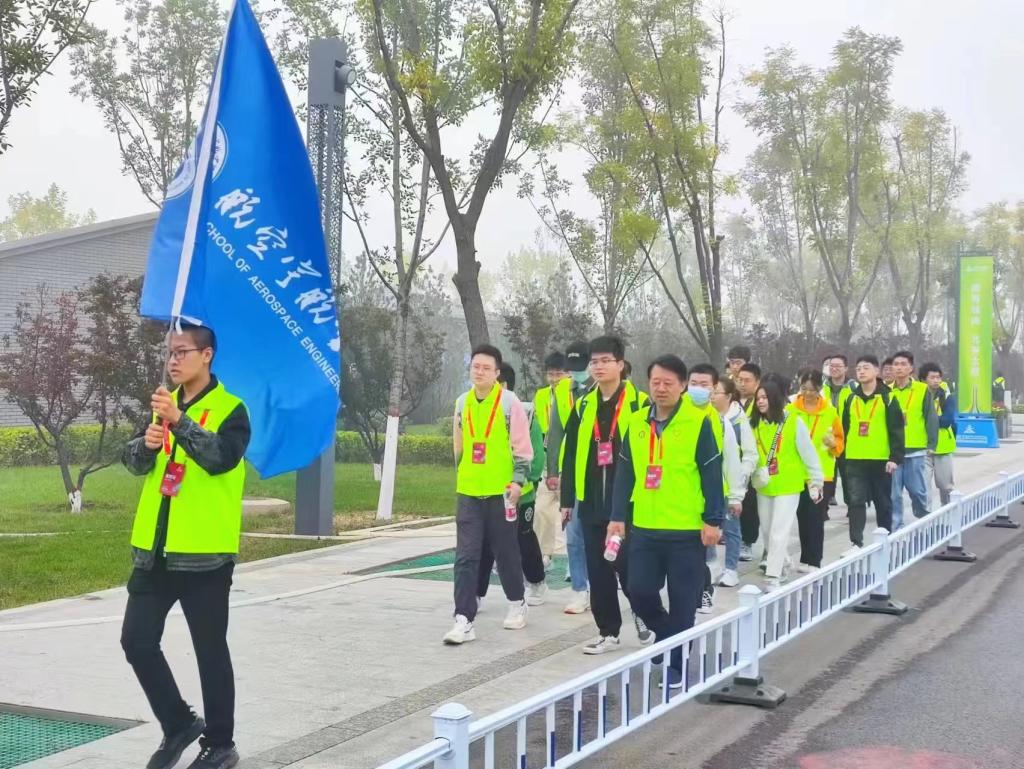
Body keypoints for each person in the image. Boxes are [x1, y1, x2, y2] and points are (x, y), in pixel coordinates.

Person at [121, 323, 250, 769]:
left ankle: (220, 743)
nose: (173, 360)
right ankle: (178, 723)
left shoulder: (232, 409)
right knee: (137, 641)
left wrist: (179, 422)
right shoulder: (163, 404)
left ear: (207, 355)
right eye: (170, 353)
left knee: (210, 649)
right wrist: (145, 445)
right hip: (154, 551)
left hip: (204, 556)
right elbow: (133, 462)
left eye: (183, 352)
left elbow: (220, 458)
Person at [609, 354, 724, 689]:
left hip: (686, 529)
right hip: (645, 525)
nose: (660, 389)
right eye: (655, 382)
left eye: (668, 383)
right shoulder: (636, 422)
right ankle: (666, 634)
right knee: (639, 591)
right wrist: (617, 517)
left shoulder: (698, 421)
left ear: (683, 385)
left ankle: (676, 665)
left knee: (683, 601)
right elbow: (625, 473)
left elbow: (711, 473)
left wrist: (712, 520)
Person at [560, 336, 654, 653]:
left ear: (620, 364)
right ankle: (608, 631)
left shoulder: (640, 403)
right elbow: (570, 453)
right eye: (594, 362)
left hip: (627, 502)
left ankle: (643, 614)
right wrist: (567, 500)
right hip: (590, 501)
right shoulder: (584, 405)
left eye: (605, 361)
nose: (599, 367)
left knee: (627, 565)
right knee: (598, 568)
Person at [445, 345, 533, 645]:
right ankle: (463, 619)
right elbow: (458, 446)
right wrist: (461, 475)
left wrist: (518, 482)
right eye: (475, 366)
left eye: (486, 367)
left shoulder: (509, 403)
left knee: (505, 552)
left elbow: (522, 448)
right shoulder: (462, 403)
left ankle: (517, 602)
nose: (479, 371)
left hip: (501, 492)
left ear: (497, 373)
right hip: (469, 491)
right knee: (465, 556)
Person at [477, 363, 548, 607]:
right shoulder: (480, 411)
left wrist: (527, 480)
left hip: (521, 493)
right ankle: (476, 593)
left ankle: (537, 582)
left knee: (523, 538)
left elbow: (535, 454)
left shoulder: (526, 414)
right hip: (489, 491)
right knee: (485, 543)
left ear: (504, 385)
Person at [750, 381, 824, 587]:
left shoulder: (793, 421)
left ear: (774, 398)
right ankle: (781, 563)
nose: (760, 402)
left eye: (764, 397)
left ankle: (773, 575)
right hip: (764, 484)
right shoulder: (753, 424)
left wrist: (816, 481)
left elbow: (809, 453)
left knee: (779, 531)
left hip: (789, 485)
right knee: (767, 531)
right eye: (758, 399)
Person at [686, 363, 742, 614]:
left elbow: (731, 461)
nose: (698, 389)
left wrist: (735, 496)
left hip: (710, 495)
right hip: (682, 494)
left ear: (713, 388)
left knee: (705, 548)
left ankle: (705, 590)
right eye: (693, 384)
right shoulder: (675, 414)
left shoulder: (720, 422)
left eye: (704, 385)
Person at [841, 355, 904, 553]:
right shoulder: (851, 398)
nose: (861, 371)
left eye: (866, 367)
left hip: (880, 459)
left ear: (877, 371)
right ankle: (856, 543)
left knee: (882, 501)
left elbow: (897, 430)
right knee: (856, 501)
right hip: (854, 458)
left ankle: (885, 539)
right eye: (858, 368)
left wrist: (894, 458)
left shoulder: (888, 398)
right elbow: (845, 428)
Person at [546, 340, 592, 613]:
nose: (576, 373)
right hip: (572, 471)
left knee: (598, 534)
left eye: (581, 367)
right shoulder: (562, 391)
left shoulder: (606, 389)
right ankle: (579, 589)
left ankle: (600, 584)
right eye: (572, 368)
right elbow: (555, 432)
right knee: (573, 533)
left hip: (601, 472)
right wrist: (553, 471)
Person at [789, 369, 844, 573]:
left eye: (812, 389)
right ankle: (805, 558)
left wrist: (833, 444)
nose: (807, 393)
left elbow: (840, 441)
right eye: (804, 389)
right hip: (796, 472)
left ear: (820, 389)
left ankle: (814, 560)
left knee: (816, 518)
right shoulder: (790, 410)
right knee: (802, 516)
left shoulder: (830, 412)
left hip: (821, 474)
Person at [711, 377, 756, 588]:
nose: (711, 396)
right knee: (708, 525)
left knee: (731, 528)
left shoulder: (738, 421)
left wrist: (741, 479)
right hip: (708, 484)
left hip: (730, 483)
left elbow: (749, 453)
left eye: (716, 392)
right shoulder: (705, 418)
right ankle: (711, 565)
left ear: (729, 396)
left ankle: (731, 569)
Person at [888, 351, 936, 530]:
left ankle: (923, 516)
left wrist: (931, 444)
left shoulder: (922, 389)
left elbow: (931, 417)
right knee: (894, 494)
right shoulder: (886, 390)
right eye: (896, 364)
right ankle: (896, 527)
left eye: (903, 364)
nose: (899, 368)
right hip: (893, 450)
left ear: (911, 368)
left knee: (917, 490)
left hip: (915, 448)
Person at [533, 352, 569, 568]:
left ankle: (574, 563)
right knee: (541, 510)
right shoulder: (541, 396)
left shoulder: (575, 395)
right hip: (548, 462)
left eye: (559, 374)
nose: (555, 379)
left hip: (569, 464)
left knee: (571, 516)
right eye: (551, 374)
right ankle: (543, 556)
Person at [735, 362, 762, 561]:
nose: (742, 384)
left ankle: (748, 541)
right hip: (733, 458)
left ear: (757, 381)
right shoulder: (732, 401)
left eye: (747, 380)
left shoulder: (761, 402)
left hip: (754, 460)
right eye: (740, 380)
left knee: (750, 503)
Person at [921, 363, 957, 506]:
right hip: (923, 446)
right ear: (923, 379)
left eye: (938, 377)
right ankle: (926, 515)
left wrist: (928, 419)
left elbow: (946, 421)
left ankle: (947, 510)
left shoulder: (947, 397)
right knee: (923, 486)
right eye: (932, 377)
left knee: (945, 485)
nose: (936, 380)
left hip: (943, 447)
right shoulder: (918, 396)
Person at [822, 354, 854, 506]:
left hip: (847, 435)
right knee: (827, 471)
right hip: (827, 435)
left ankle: (851, 505)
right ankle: (825, 504)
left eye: (838, 366)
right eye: (831, 366)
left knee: (848, 473)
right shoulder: (822, 387)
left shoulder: (853, 387)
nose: (834, 369)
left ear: (846, 368)